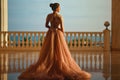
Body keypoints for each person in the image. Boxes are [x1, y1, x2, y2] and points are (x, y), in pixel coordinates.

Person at [18, 3, 91, 80]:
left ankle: (49, 64)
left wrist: (51, 28)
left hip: (50, 33)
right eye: (59, 7)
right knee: (60, 51)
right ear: (56, 8)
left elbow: (46, 25)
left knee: (49, 50)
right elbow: (62, 28)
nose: (60, 9)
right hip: (58, 34)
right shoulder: (60, 17)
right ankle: (57, 64)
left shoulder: (49, 16)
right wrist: (60, 31)